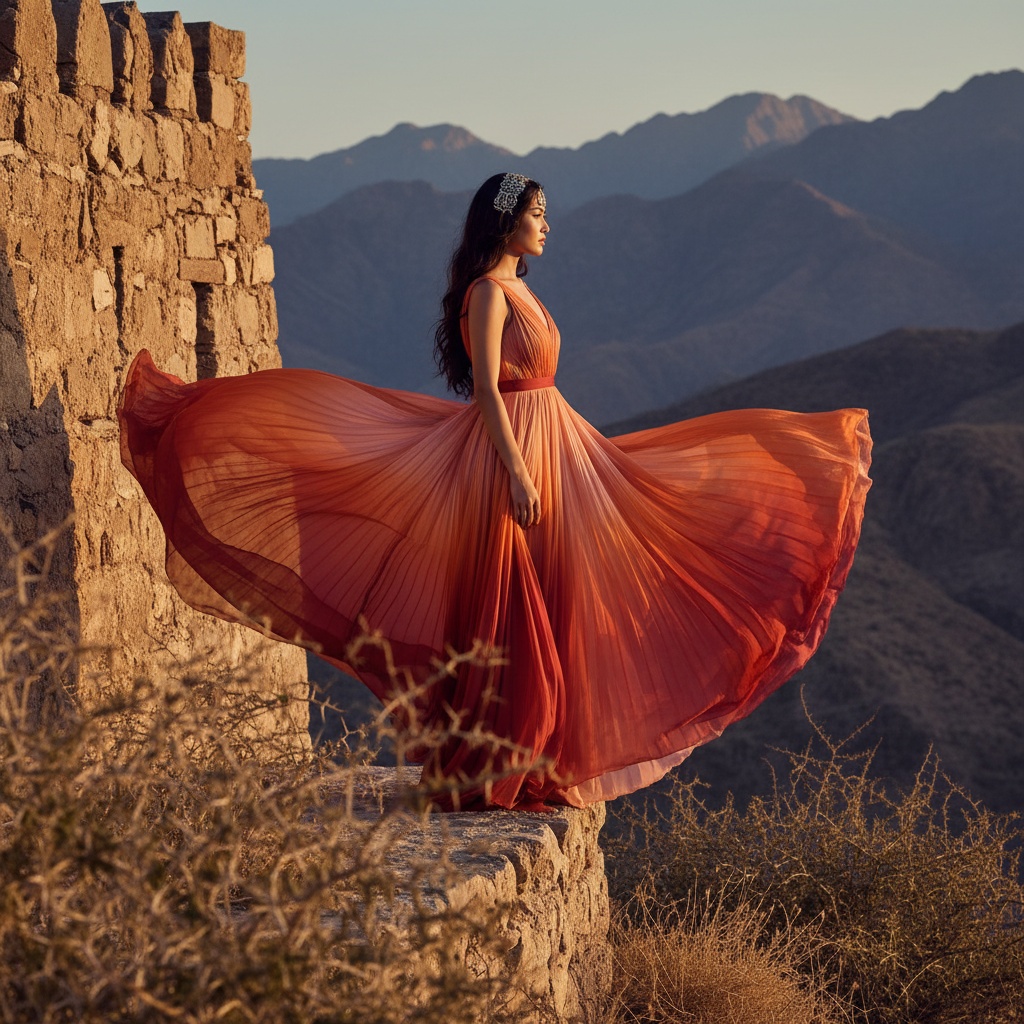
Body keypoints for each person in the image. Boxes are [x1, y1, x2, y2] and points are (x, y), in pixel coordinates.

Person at [118, 172, 871, 812]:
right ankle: (496, 761)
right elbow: (485, 387)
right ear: (506, 221)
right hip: (510, 450)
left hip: (557, 442)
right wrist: (514, 470)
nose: (548, 226)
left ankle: (538, 757)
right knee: (510, 606)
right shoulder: (487, 293)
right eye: (537, 214)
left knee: (559, 591)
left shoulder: (519, 288)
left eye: (544, 215)